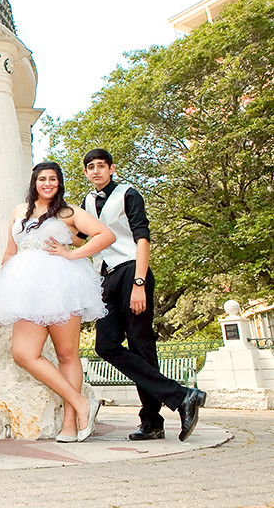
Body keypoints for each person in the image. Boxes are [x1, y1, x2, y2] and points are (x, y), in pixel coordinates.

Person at [81, 148, 206, 442]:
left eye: (101, 165)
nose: (96, 171)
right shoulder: (86, 202)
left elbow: (142, 237)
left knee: (141, 346)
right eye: (91, 167)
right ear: (86, 173)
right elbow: (81, 237)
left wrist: (139, 283)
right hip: (106, 278)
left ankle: (152, 422)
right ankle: (182, 396)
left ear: (112, 168)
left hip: (131, 273)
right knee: (106, 345)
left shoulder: (128, 193)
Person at [0, 162, 114, 442]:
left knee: (66, 355)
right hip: (26, 289)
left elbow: (106, 235)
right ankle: (82, 402)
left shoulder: (68, 212)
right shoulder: (19, 212)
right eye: (42, 178)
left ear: (59, 183)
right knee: (23, 353)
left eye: (53, 179)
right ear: (34, 181)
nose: (48, 183)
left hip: (61, 285)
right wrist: (0, 292)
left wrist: (73, 254)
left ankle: (70, 422)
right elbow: (10, 253)